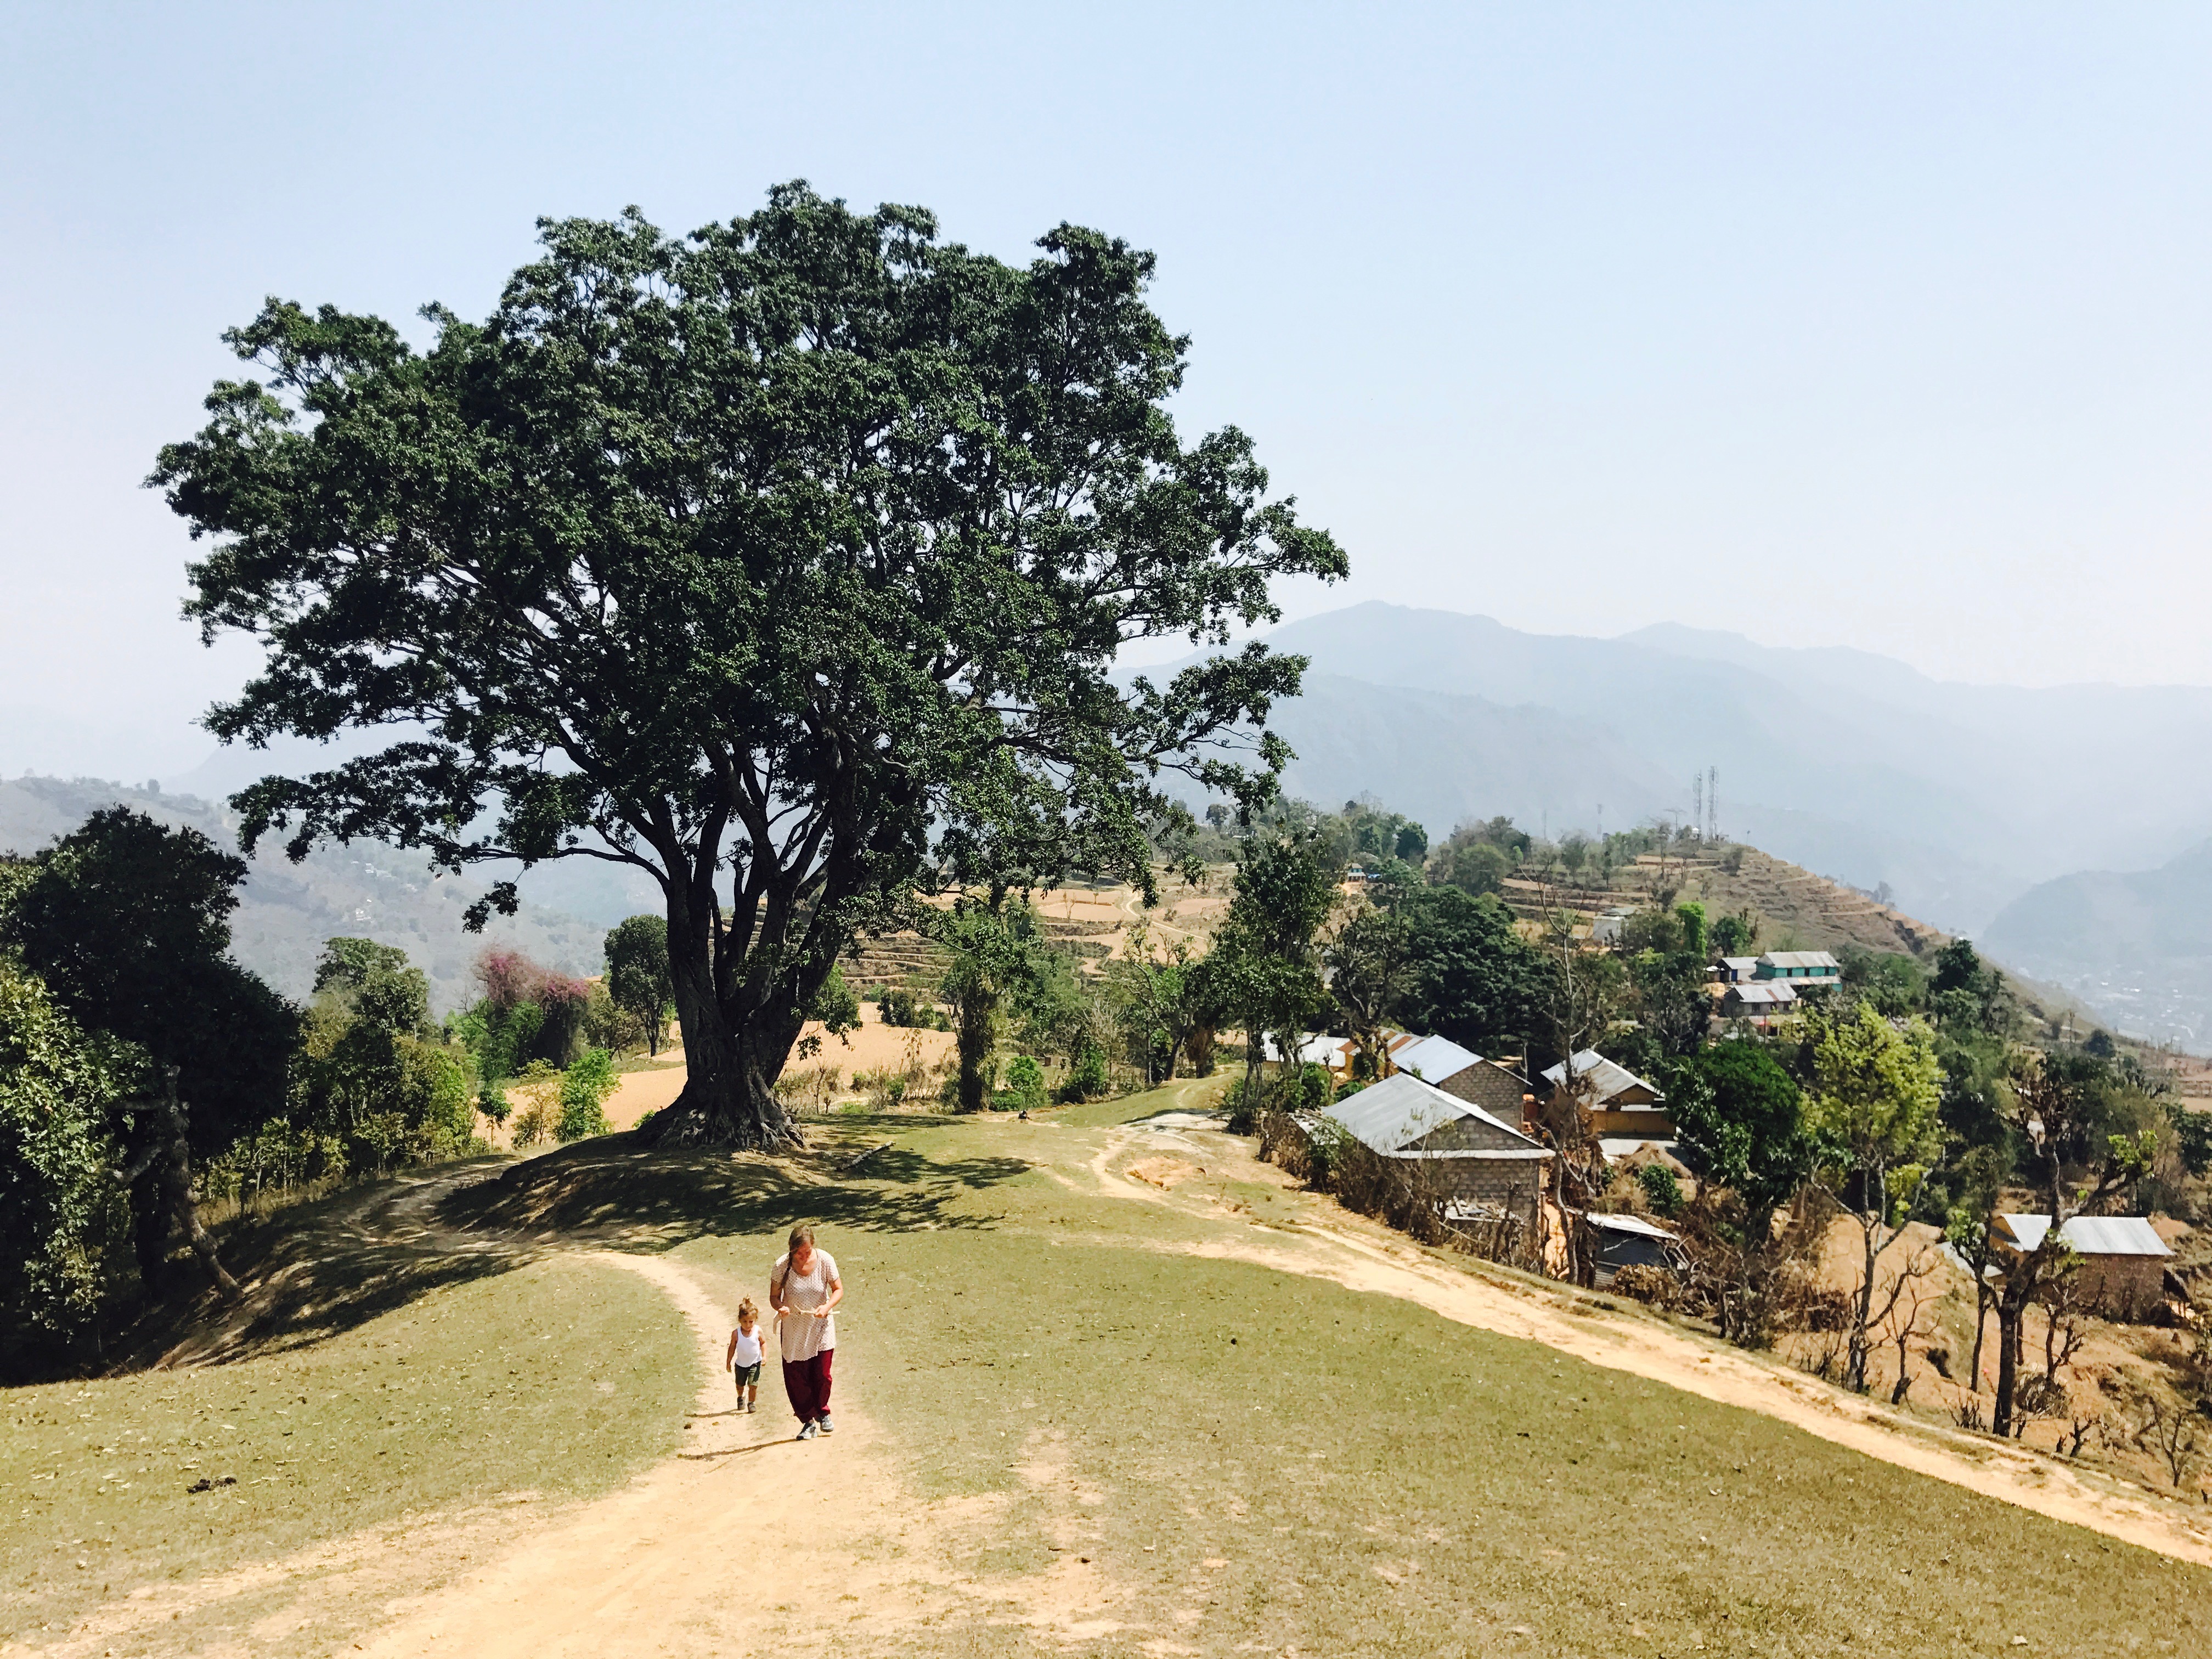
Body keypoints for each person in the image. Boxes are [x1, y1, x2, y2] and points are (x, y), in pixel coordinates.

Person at [769, 1223, 842, 1441]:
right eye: (799, 1253)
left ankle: (823, 1412)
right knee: (797, 1377)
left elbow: (838, 1290)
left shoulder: (825, 1260)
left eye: (807, 1252)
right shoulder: (782, 1266)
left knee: (823, 1374)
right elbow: (774, 1297)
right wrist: (780, 1307)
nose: (803, 1257)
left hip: (821, 1326)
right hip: (794, 1329)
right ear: (792, 1250)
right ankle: (807, 1421)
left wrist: (827, 1307)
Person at [723, 1297, 765, 1414]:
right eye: (744, 1322)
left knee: (753, 1385)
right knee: (740, 1384)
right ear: (740, 1320)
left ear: (755, 1320)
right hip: (741, 1365)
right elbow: (732, 1347)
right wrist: (728, 1362)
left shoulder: (758, 1331)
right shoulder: (736, 1334)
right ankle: (741, 1397)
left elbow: (763, 1343)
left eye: (751, 1322)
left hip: (754, 1363)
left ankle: (751, 1403)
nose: (748, 1325)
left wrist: (764, 1356)